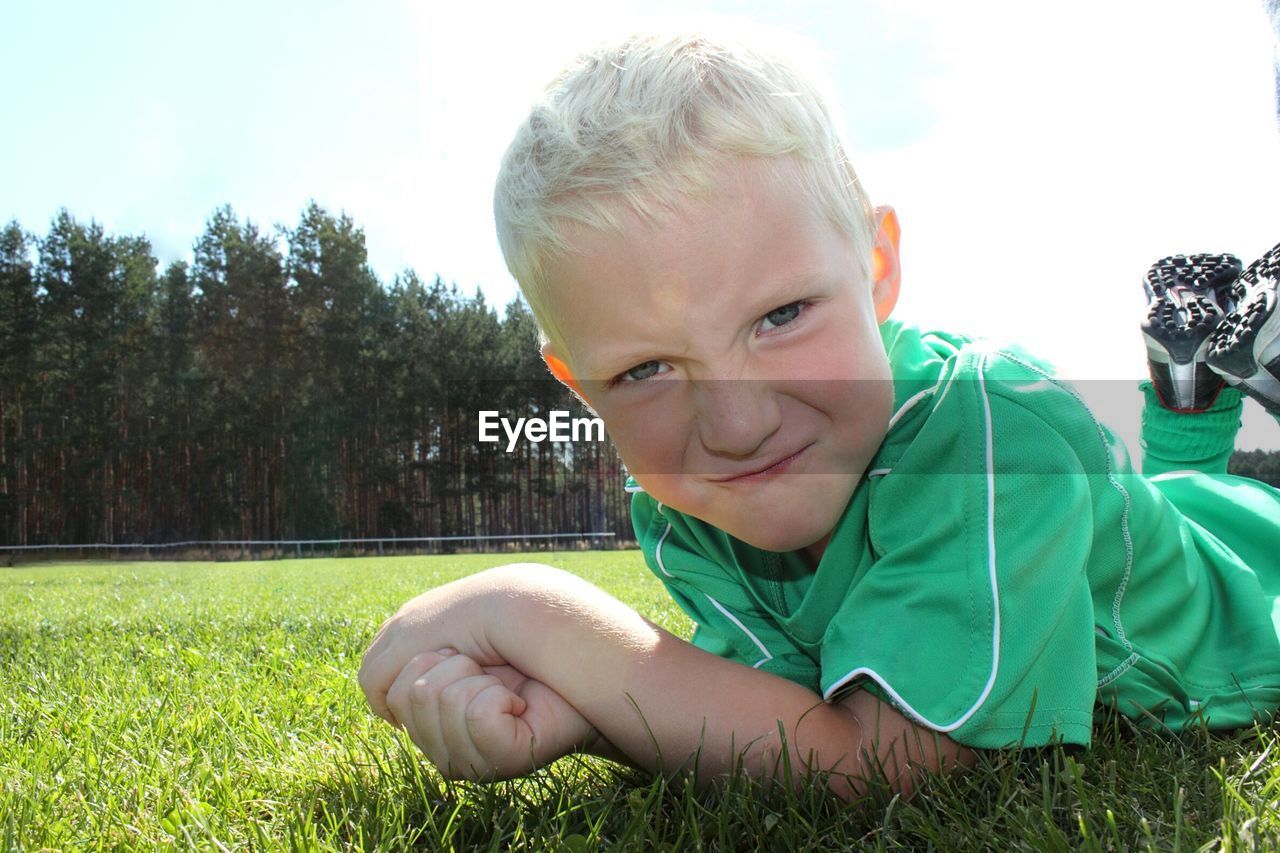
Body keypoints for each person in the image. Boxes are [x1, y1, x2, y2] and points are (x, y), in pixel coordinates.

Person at [358, 23, 1280, 800]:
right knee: (1156, 509)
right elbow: (775, 707)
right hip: (1134, 523)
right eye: (646, 369)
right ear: (578, 382)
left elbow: (883, 759)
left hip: (1254, 587)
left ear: (878, 267)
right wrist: (575, 710)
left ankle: (1190, 411)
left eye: (781, 316)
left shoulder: (990, 432)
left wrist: (541, 618)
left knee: (1199, 532)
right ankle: (1189, 390)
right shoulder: (695, 504)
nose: (735, 424)